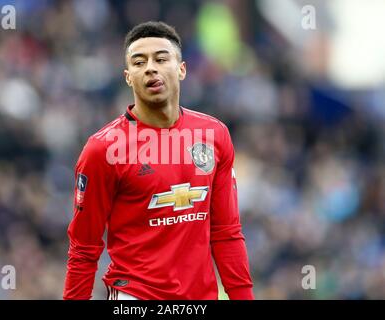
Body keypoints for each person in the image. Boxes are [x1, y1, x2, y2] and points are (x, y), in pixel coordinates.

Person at [63, 21, 254, 300]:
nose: (150, 67)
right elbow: (84, 248)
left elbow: (226, 233)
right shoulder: (102, 150)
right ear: (128, 77)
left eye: (161, 59)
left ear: (182, 69)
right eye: (139, 62)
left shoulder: (215, 135)